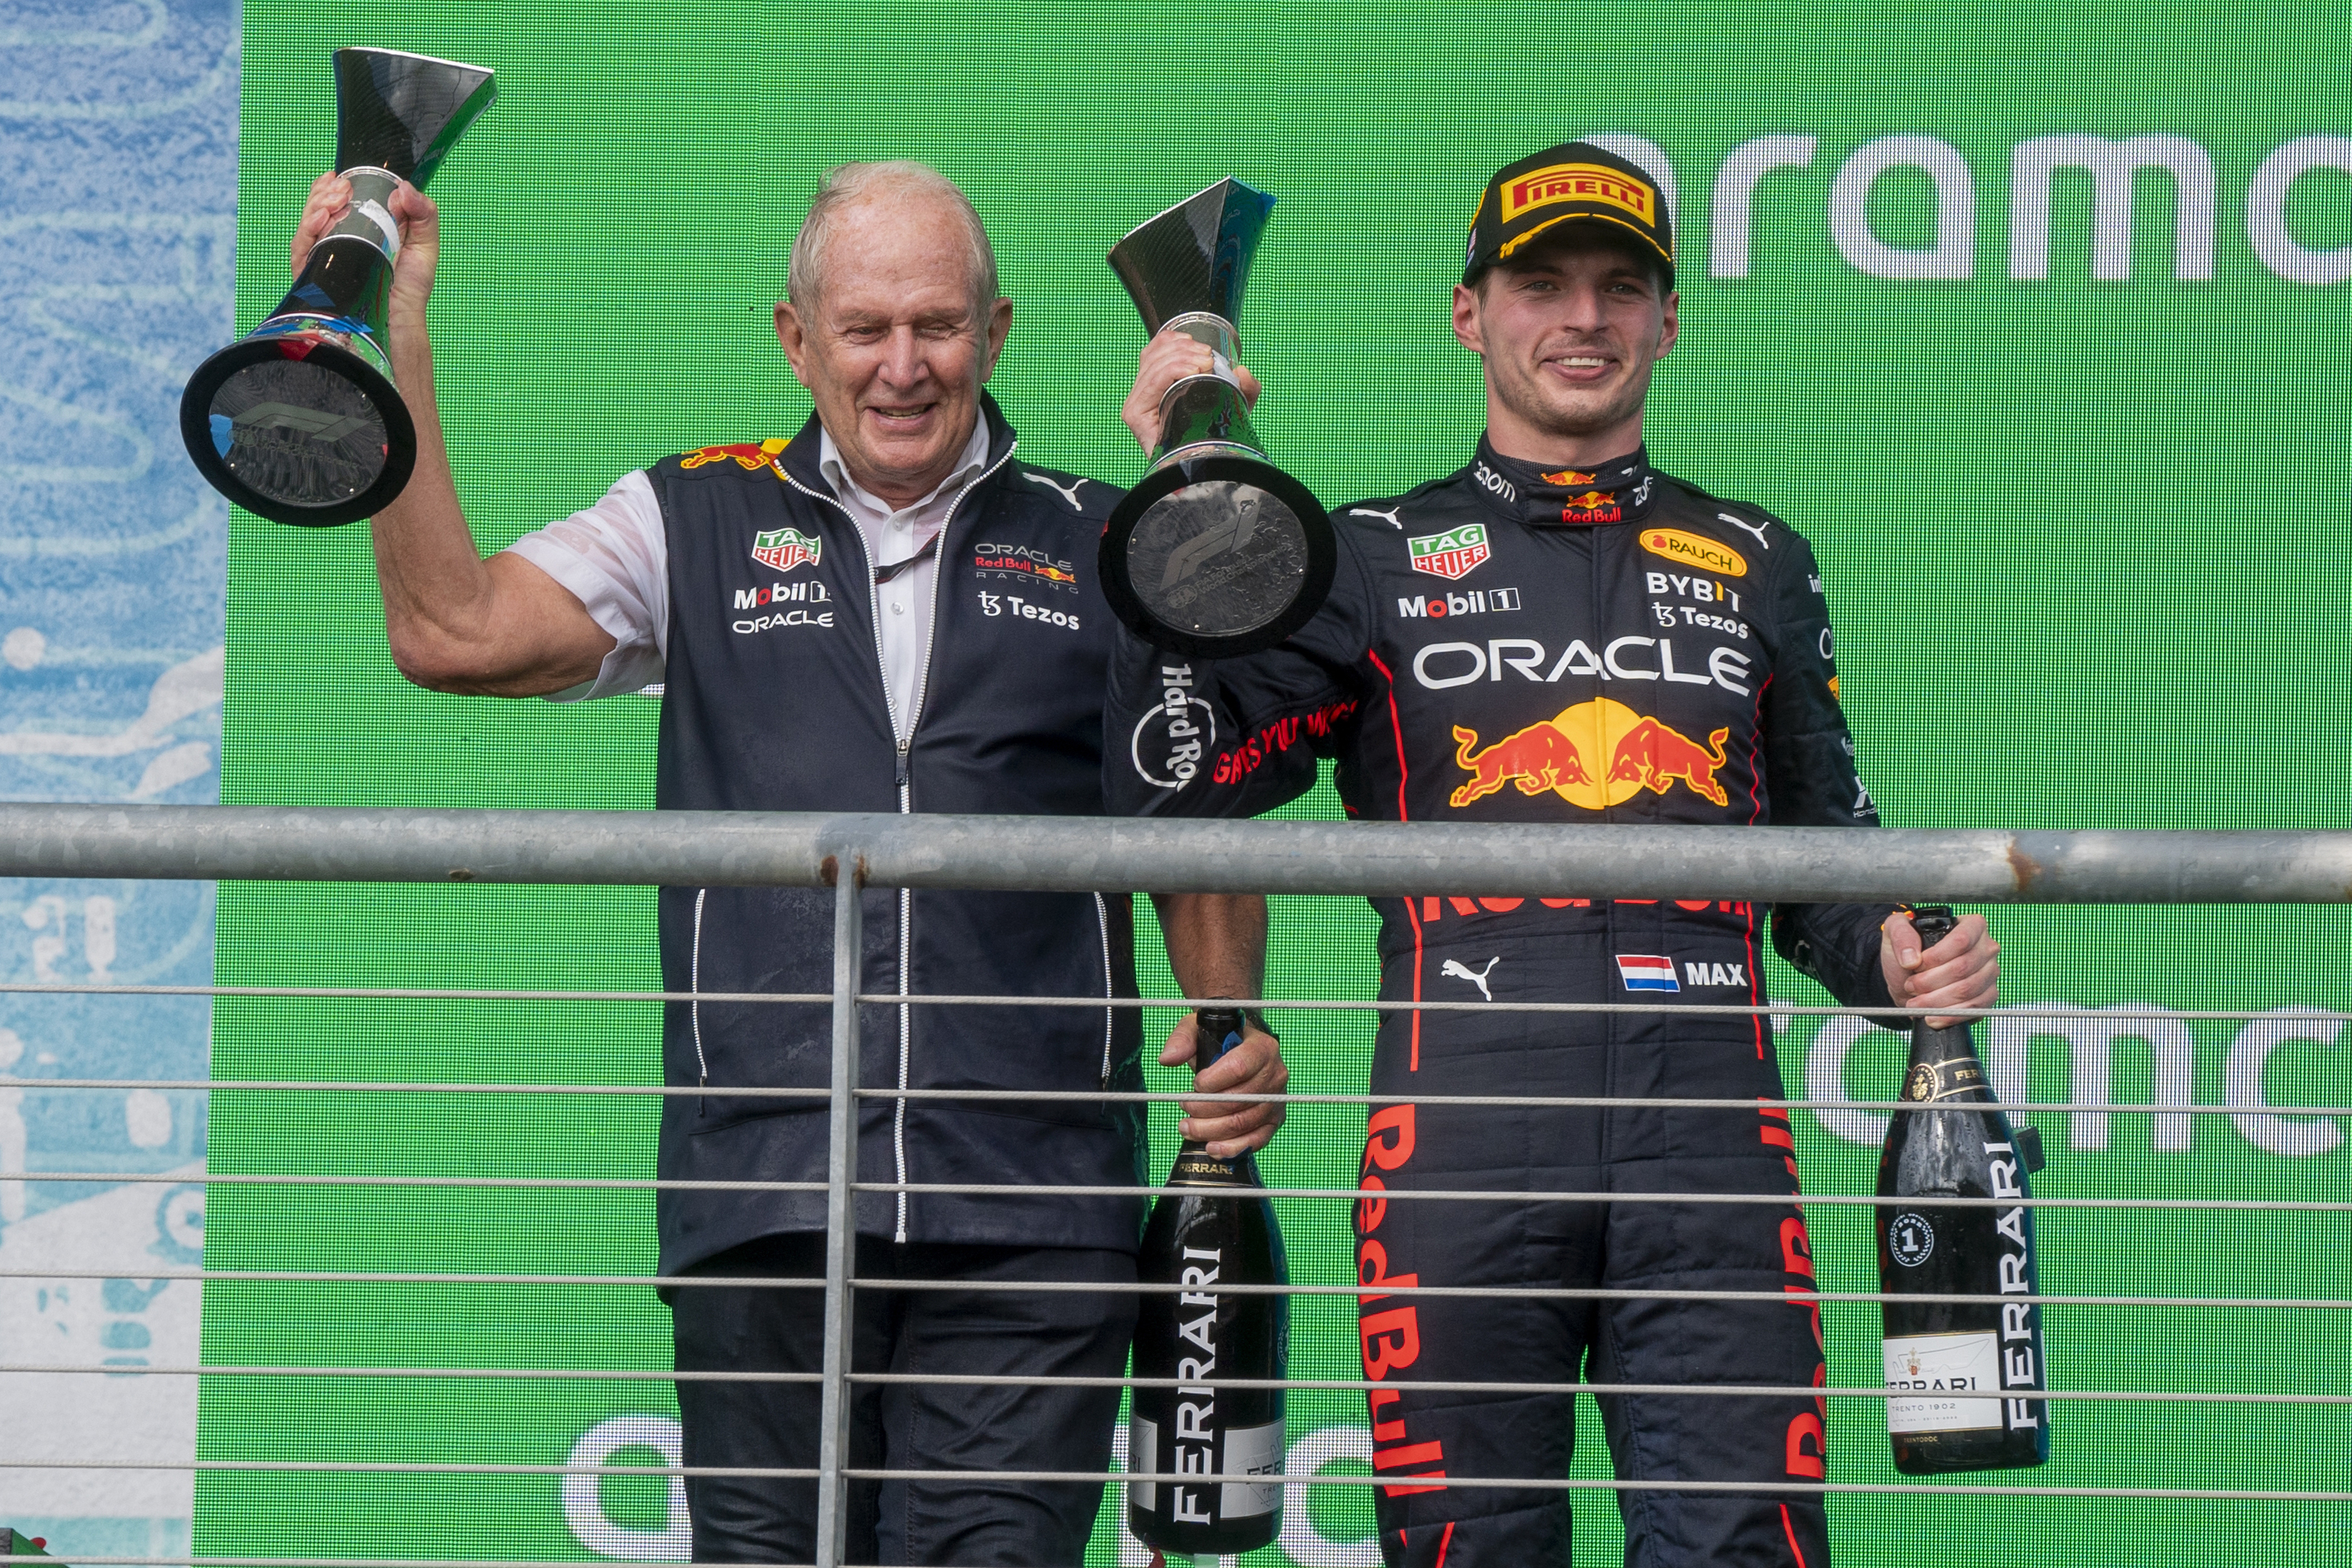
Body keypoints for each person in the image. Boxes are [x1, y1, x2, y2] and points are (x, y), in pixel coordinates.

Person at [289, 158, 1284, 1566]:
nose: (901, 366)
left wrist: (1232, 1017)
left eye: (937, 325)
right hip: (763, 1207)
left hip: (1033, 1214)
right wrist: (396, 332)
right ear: (794, 339)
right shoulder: (688, 518)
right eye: (863, 328)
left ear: (996, 335)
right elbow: (451, 631)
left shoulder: (1105, 533)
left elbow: (1194, 811)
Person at [1105, 143, 2000, 1567]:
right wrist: (1187, 491)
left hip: (1712, 1158)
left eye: (1619, 287)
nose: (1581, 318)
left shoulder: (1753, 553)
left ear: (1667, 320)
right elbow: (1176, 778)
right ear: (1472, 314)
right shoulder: (1372, 554)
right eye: (1542, 284)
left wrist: (1890, 945)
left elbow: (1827, 845)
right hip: (1457, 1160)